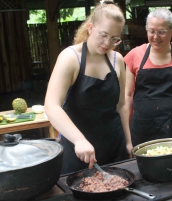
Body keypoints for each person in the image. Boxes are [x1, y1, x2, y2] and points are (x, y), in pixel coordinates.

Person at [44, 0, 132, 174]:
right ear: (90, 28)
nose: (107, 43)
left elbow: (121, 105)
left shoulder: (117, 60)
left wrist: (128, 141)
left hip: (115, 147)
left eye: (114, 39)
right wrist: (79, 141)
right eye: (103, 35)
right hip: (79, 152)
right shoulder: (70, 58)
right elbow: (51, 106)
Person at [124, 8, 172, 153]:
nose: (155, 37)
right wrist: (127, 138)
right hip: (143, 130)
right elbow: (127, 97)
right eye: (151, 31)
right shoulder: (134, 56)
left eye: (161, 31)